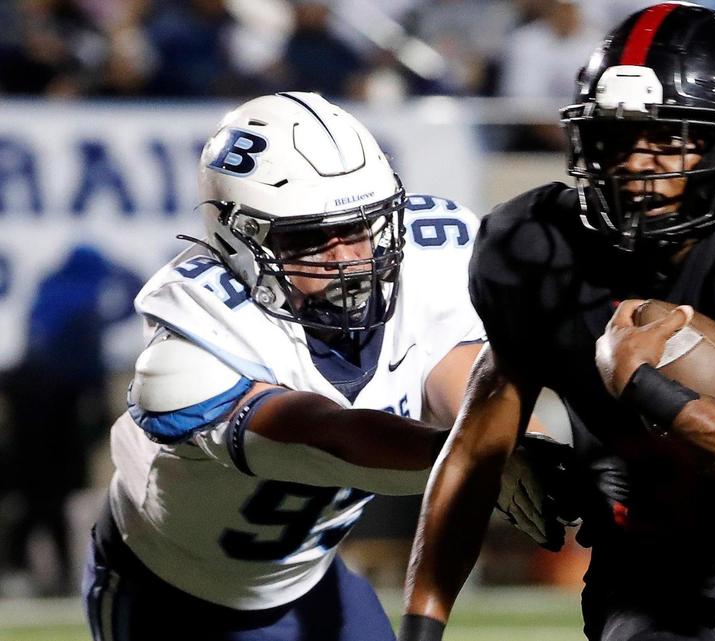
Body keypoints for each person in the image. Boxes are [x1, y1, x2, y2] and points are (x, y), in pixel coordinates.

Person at [402, 4, 715, 641]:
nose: (637, 162)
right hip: (638, 583)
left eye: (670, 138)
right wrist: (422, 621)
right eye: (619, 137)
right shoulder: (534, 243)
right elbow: (475, 447)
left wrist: (647, 386)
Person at [82, 92, 492, 641]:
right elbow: (325, 434)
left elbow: (457, 377)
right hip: (173, 593)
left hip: (311, 580)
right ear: (240, 240)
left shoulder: (428, 264)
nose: (347, 258)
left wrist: (531, 449)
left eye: (358, 226)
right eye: (309, 237)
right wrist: (479, 456)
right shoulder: (193, 339)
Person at [5, 245, 141, 596]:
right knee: (49, 503)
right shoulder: (83, 311)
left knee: (36, 503)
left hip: (33, 418)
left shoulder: (51, 293)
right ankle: (51, 576)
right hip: (59, 420)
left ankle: (27, 571)